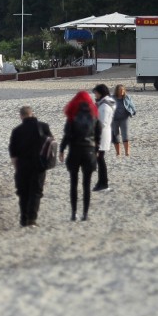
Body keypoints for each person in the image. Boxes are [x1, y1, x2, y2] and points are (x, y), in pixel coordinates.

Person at [8, 105, 50, 227]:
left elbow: (13, 152)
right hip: (39, 164)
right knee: (36, 192)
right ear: (32, 113)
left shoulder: (17, 130)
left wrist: (16, 167)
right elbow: (51, 143)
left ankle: (23, 219)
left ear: (21, 116)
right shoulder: (44, 126)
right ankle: (32, 220)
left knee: (23, 193)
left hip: (23, 165)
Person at [60, 92, 98, 221]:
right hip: (89, 152)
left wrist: (61, 149)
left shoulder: (72, 115)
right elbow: (99, 134)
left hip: (74, 151)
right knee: (86, 185)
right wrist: (96, 150)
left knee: (73, 183)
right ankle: (85, 214)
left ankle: (73, 213)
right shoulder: (93, 115)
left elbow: (67, 135)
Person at [92, 84, 115, 191]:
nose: (95, 95)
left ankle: (104, 184)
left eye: (96, 93)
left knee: (100, 159)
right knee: (99, 159)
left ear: (101, 93)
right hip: (101, 134)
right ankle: (101, 183)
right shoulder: (102, 104)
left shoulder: (104, 106)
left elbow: (102, 123)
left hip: (101, 135)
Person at [112, 84, 136, 157]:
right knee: (115, 135)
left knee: (125, 134)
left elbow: (132, 106)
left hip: (124, 118)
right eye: (120, 90)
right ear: (117, 91)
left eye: (123, 90)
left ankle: (127, 152)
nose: (122, 91)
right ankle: (118, 152)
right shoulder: (112, 98)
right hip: (114, 119)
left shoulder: (127, 97)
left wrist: (133, 112)